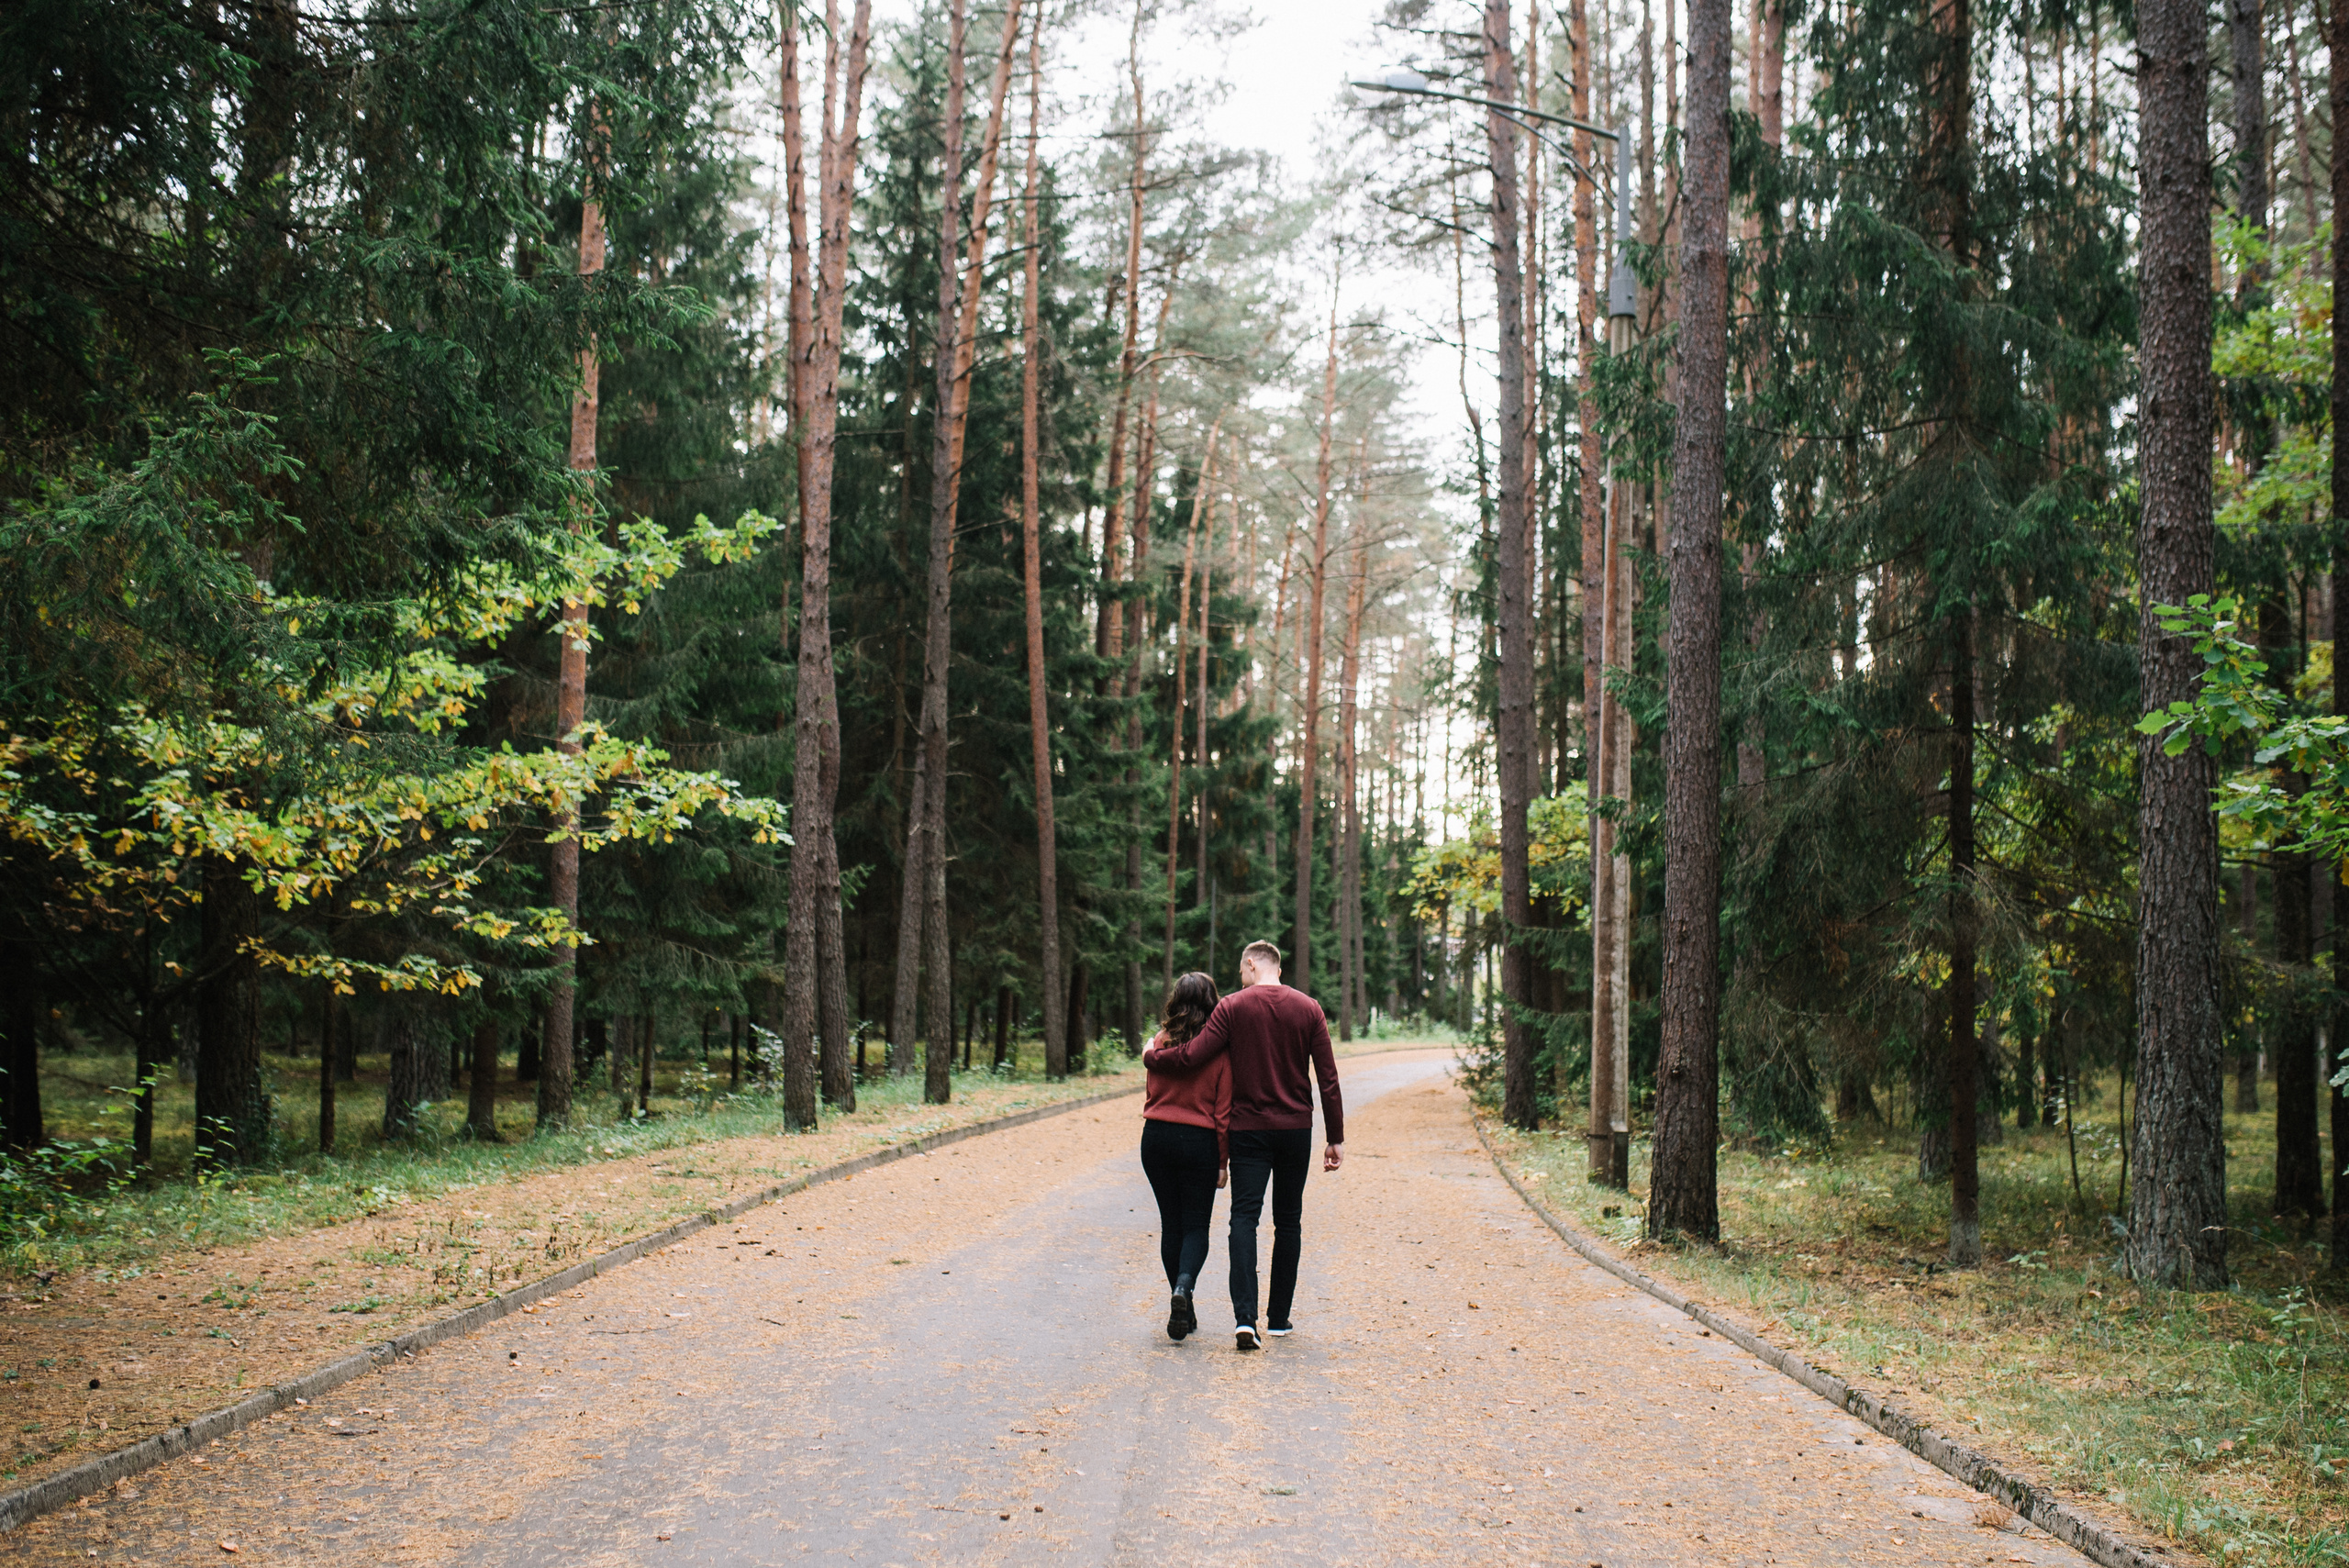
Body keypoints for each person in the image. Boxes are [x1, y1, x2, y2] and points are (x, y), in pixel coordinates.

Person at [1142, 940, 1342, 1352]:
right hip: (1295, 1129)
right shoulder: (1310, 1009)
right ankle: (1280, 1319)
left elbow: (1191, 1056)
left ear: (1252, 963)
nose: (1239, 978)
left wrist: (1151, 1056)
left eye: (1241, 970)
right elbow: (1328, 1078)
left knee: (1244, 1220)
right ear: (1279, 968)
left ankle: (1244, 1320)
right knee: (1289, 1221)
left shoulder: (1232, 1007)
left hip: (1248, 1131)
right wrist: (1335, 1137)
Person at [1140, 971, 1230, 1342]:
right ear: (1213, 1002)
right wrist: (1223, 1162)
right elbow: (1223, 1112)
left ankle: (1183, 1304)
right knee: (1196, 1226)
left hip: (1156, 1138)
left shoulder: (1158, 1044)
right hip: (1200, 1142)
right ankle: (1184, 1288)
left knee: (1171, 1225)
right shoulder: (1220, 1050)